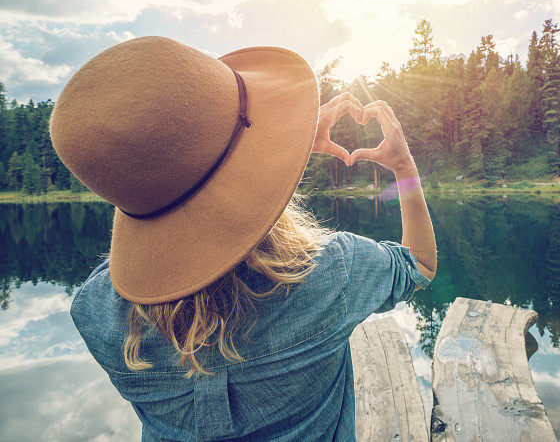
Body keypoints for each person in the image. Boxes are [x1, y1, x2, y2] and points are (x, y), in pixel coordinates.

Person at [49, 36, 437, 441]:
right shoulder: (332, 272)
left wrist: (281, 143)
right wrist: (403, 167)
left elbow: (189, 193)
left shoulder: (94, 313)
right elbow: (420, 265)